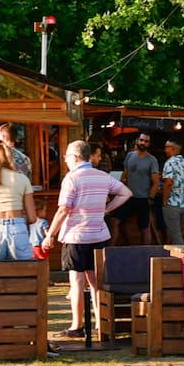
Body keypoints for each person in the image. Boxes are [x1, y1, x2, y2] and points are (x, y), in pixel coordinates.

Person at [43, 140, 132, 338]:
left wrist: (50, 235)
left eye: (66, 156)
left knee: (76, 281)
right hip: (98, 234)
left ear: (74, 157)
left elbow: (64, 209)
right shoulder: (102, 176)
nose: (65, 160)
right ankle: (101, 324)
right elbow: (126, 193)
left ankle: (77, 325)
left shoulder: (71, 178)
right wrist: (106, 209)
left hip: (75, 236)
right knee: (96, 282)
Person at [110, 133, 160, 245]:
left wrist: (150, 198)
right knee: (115, 221)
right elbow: (125, 174)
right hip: (128, 197)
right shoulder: (130, 155)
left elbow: (156, 182)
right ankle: (110, 250)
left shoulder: (152, 160)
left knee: (144, 228)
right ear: (137, 141)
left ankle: (145, 254)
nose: (143, 143)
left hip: (143, 198)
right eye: (142, 140)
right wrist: (119, 190)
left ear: (149, 144)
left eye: (146, 141)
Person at [161, 140, 184, 245]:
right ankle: (172, 259)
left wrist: (164, 200)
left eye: (166, 147)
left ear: (173, 149)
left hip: (172, 203)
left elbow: (168, 183)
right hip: (183, 205)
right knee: (175, 232)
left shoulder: (170, 163)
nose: (164, 149)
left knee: (176, 236)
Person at [27, 196, 50, 260]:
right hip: (41, 246)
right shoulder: (43, 222)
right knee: (44, 262)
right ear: (39, 211)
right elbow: (48, 233)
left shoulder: (30, 222)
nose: (45, 212)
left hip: (31, 247)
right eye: (44, 210)